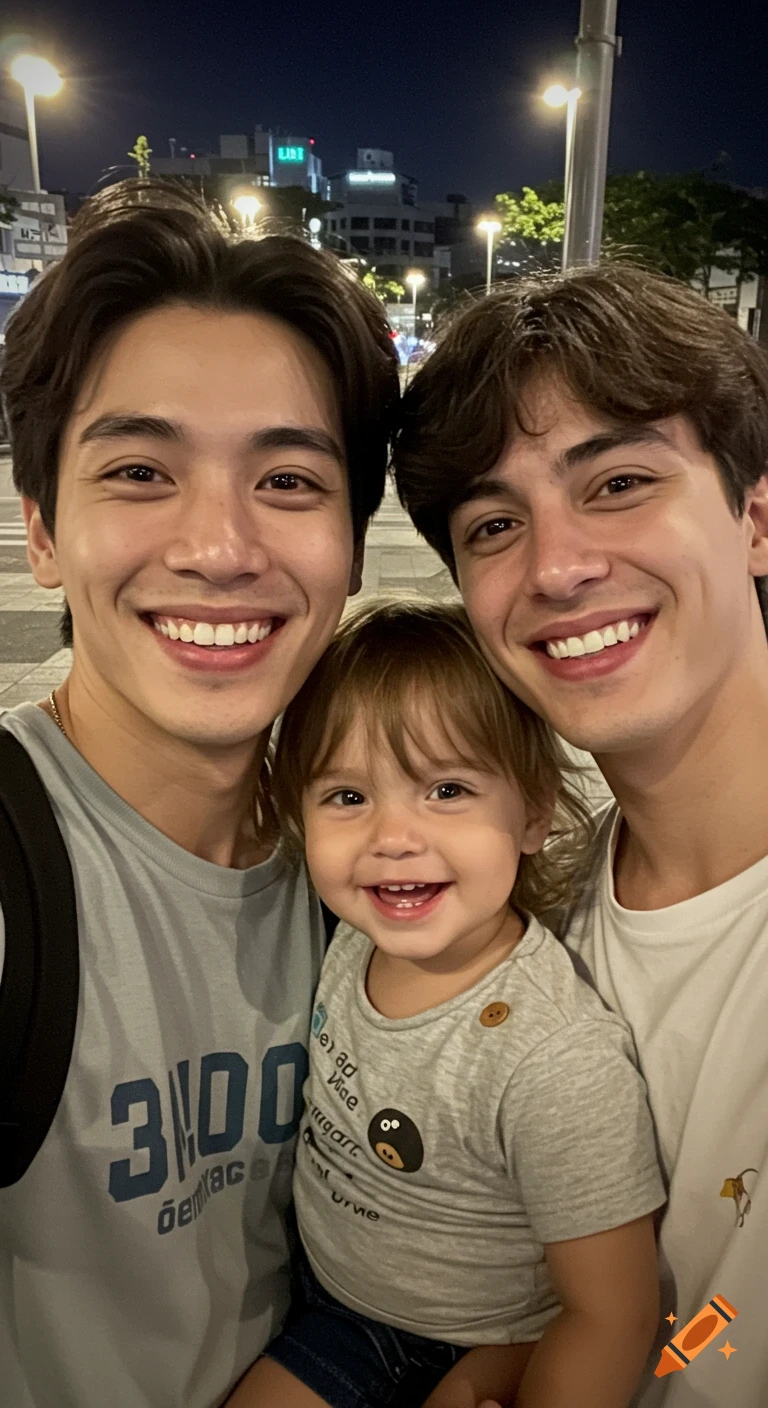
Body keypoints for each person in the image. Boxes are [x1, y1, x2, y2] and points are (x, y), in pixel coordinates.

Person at [0, 179, 399, 1408]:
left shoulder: (379, 867)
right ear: (43, 531)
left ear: (350, 537)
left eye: (288, 481)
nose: (221, 547)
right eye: (138, 471)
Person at [393, 264, 768, 1408]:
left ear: (755, 516)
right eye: (496, 523)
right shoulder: (534, 917)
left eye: (618, 481)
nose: (557, 567)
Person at [228, 600, 665, 1408]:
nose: (393, 836)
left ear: (535, 811)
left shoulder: (551, 1058)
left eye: (448, 788)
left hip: (443, 1334)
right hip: (321, 1285)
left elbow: (617, 1313)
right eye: (348, 797)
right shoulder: (355, 935)